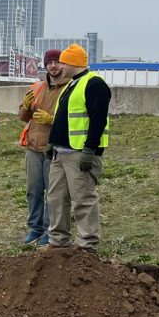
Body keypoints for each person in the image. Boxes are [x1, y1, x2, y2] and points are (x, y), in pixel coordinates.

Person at [44, 44, 111, 252]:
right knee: (56, 198)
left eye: (63, 62)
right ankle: (58, 240)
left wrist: (89, 151)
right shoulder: (71, 85)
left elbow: (98, 120)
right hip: (61, 153)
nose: (60, 66)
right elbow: (62, 119)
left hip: (79, 154)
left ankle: (87, 244)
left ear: (73, 63)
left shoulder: (94, 84)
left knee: (83, 198)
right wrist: (52, 142)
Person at [17, 49, 68, 246]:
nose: (53, 66)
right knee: (34, 190)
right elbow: (23, 117)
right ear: (45, 65)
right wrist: (26, 107)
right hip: (33, 147)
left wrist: (52, 120)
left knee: (53, 193)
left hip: (54, 148)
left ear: (63, 65)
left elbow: (70, 120)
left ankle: (49, 229)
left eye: (57, 62)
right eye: (49, 62)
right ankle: (35, 227)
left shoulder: (67, 89)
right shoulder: (37, 88)